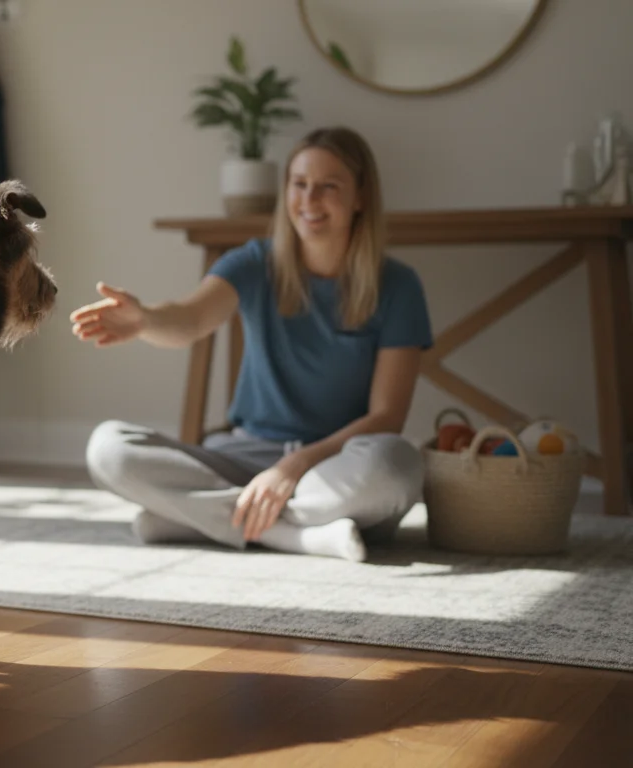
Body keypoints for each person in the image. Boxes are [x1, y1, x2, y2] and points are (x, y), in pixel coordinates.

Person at [71, 126, 431, 562]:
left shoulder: (397, 286)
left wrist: (292, 467)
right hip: (243, 454)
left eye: (328, 187)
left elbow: (387, 416)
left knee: (399, 465)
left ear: (360, 197)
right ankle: (294, 536)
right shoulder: (255, 261)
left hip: (333, 464)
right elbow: (190, 318)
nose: (309, 200)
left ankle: (198, 520)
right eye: (299, 184)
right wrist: (146, 318)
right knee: (109, 449)